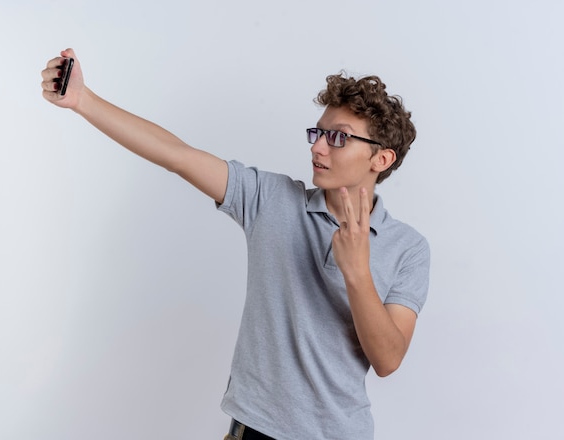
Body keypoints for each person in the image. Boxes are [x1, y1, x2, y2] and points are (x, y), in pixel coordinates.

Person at [41, 48, 430, 440]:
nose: (317, 147)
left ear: (381, 159)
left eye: (338, 137)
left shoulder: (408, 249)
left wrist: (358, 273)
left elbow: (388, 359)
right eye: (317, 132)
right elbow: (178, 156)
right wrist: (83, 100)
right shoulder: (271, 199)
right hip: (252, 430)